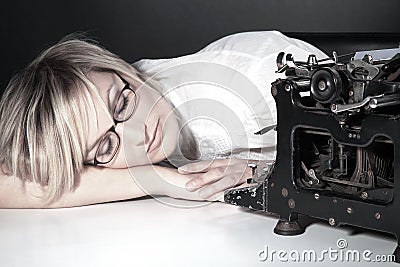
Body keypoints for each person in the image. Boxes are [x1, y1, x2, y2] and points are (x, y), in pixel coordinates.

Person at [0, 30, 327, 208]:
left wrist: (268, 172)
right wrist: (160, 179)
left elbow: (360, 158)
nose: (137, 134)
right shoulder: (128, 88)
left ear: (123, 68)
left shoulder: (254, 88)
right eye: (104, 148)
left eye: (121, 103)